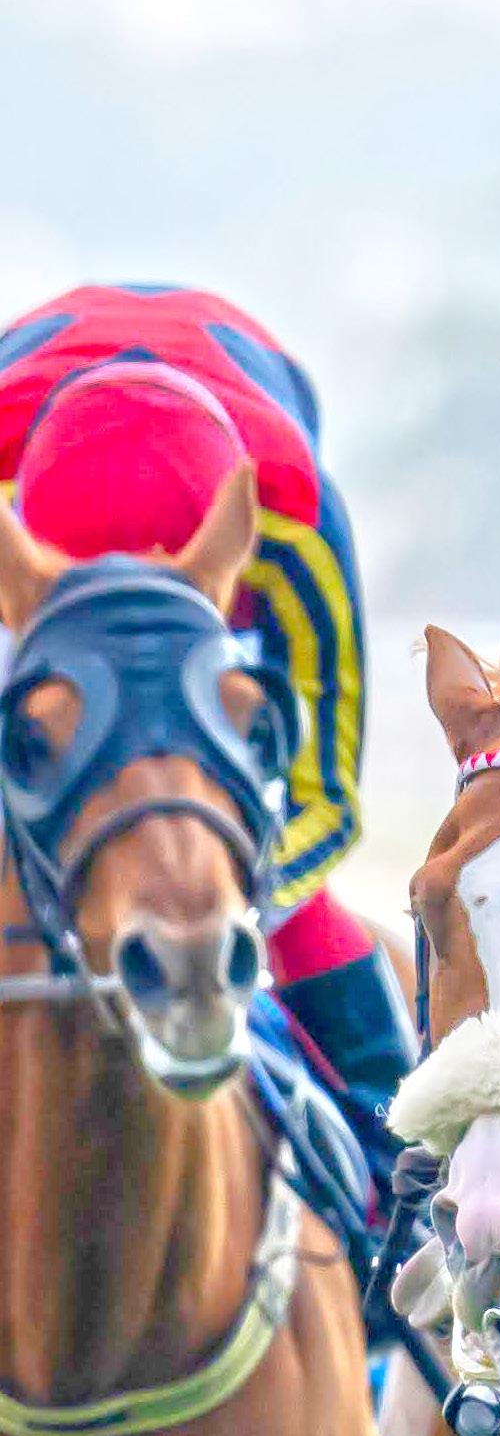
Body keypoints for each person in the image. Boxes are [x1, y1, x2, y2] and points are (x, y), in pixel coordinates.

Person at [0, 280, 413, 1157]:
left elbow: (324, 799)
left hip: (251, 426)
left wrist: (234, 901)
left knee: (298, 917)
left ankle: (396, 1172)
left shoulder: (294, 535)